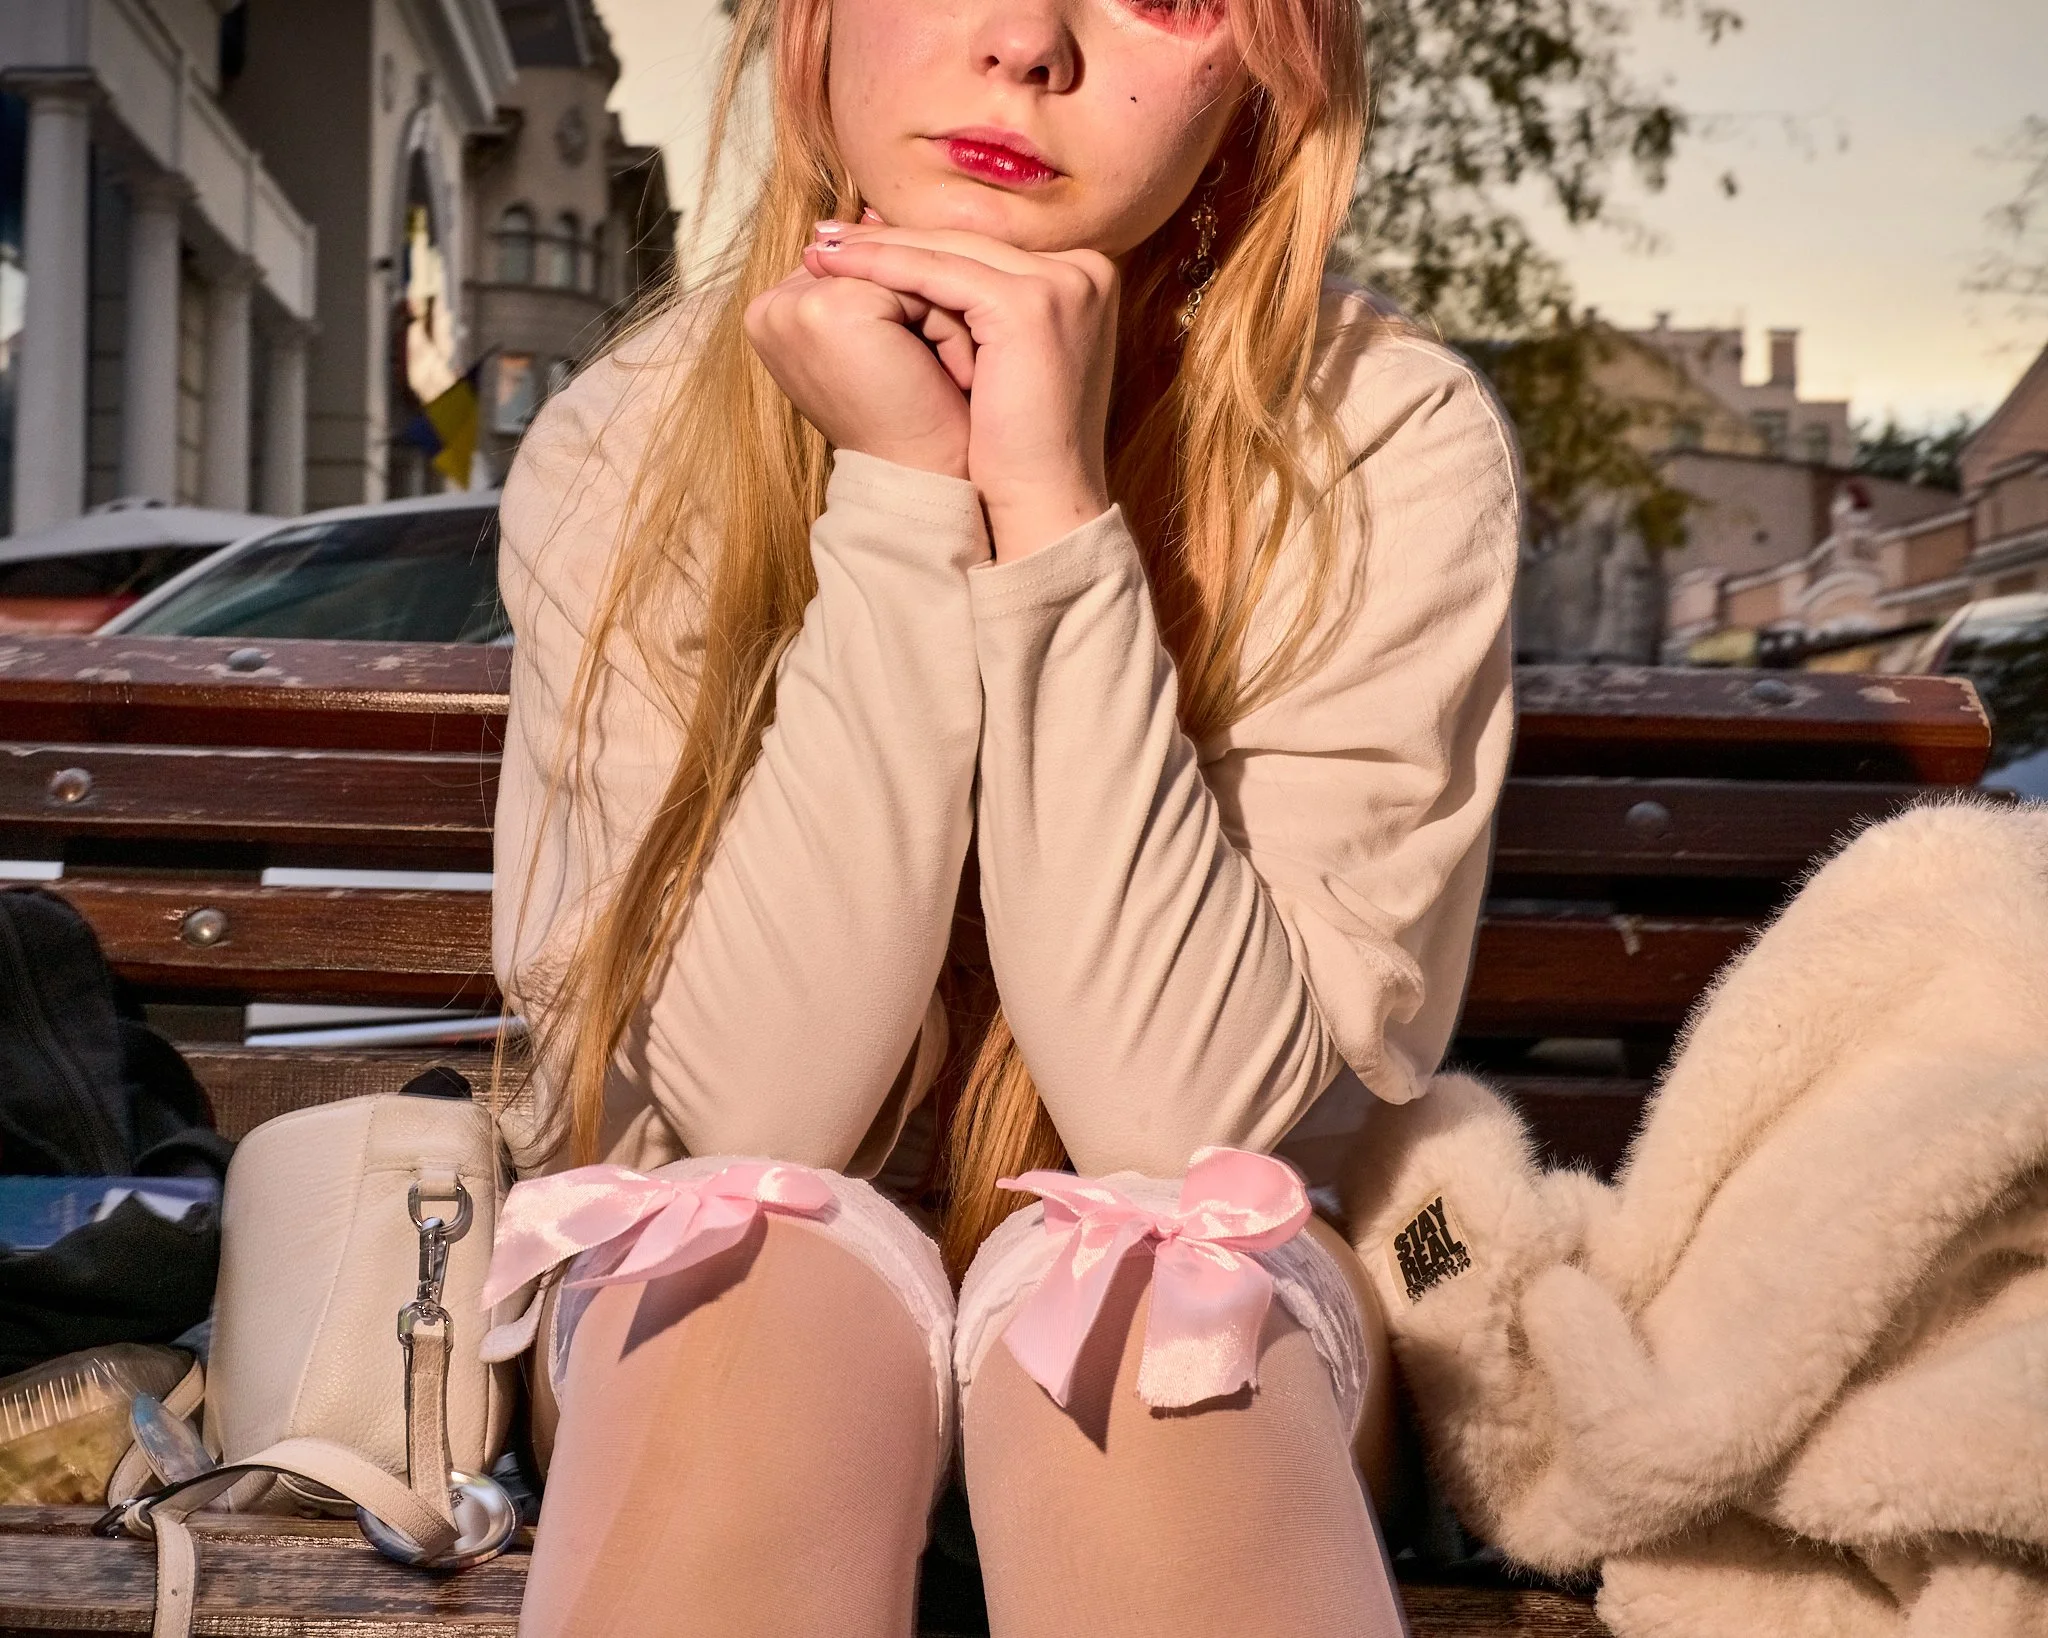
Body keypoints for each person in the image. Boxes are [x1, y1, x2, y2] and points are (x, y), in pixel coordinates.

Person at [487, 0, 1518, 1623]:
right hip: (701, 1301)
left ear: (1263, 76)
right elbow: (759, 1112)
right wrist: (904, 492)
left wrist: (1048, 508)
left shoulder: (1376, 437)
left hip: (1247, 1301)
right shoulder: (634, 438)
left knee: (1156, 1296)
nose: (1029, 42)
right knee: (740, 1251)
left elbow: (1184, 1130)